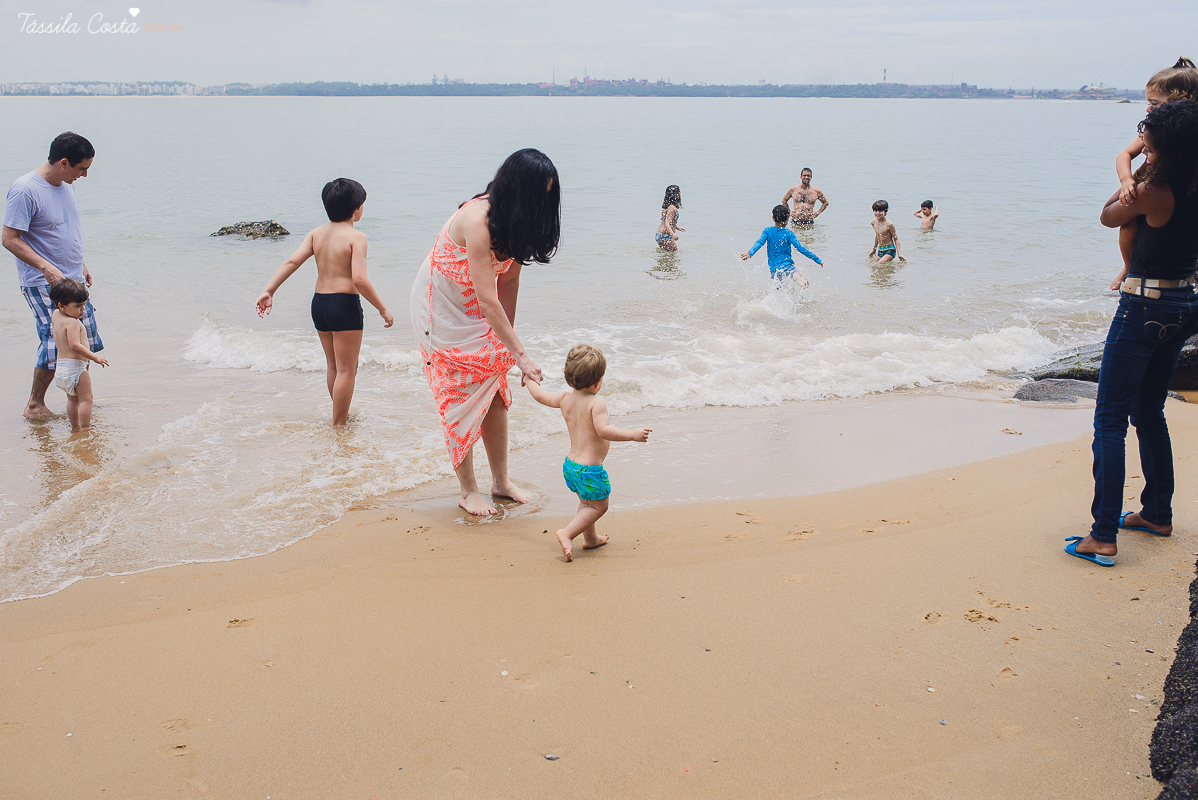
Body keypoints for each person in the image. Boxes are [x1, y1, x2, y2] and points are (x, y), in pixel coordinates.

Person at [1065, 100, 1198, 567]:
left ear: (1161, 145)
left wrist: (1137, 172)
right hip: (1185, 302)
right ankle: (1157, 512)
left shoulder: (1154, 190)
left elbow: (1107, 214)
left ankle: (1101, 536)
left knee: (1110, 420)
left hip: (1144, 306)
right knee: (1150, 411)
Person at [410, 148, 560, 516]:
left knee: (494, 387)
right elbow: (488, 297)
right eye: (539, 193)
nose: (543, 202)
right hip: (440, 308)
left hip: (477, 307)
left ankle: (501, 482)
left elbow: (508, 282)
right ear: (516, 188)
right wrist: (521, 356)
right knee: (457, 396)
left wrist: (506, 347)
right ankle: (467, 490)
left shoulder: (518, 221)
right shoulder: (477, 218)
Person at [255, 178, 393, 427]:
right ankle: (339, 424)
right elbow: (359, 279)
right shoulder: (356, 237)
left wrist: (269, 290)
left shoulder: (315, 233)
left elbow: (291, 262)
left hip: (319, 304)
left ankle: (339, 415)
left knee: (334, 366)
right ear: (355, 208)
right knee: (347, 369)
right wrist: (382, 308)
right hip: (344, 305)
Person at [2, 131, 102, 420]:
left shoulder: (65, 184)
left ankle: (80, 399)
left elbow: (63, 229)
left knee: (85, 340)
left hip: (73, 277)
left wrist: (80, 263)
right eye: (82, 168)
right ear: (63, 162)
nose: (84, 175)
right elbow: (9, 238)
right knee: (54, 343)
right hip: (43, 283)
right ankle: (36, 404)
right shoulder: (25, 190)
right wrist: (46, 267)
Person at [524, 344, 651, 561]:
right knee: (599, 506)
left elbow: (540, 396)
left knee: (586, 503)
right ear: (598, 381)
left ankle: (591, 539)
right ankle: (568, 533)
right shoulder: (596, 402)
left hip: (571, 467)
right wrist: (632, 434)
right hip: (589, 470)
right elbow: (603, 430)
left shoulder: (564, 399)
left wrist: (528, 379)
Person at [1111, 58, 1198, 291]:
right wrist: (1128, 179)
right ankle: (1129, 267)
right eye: (1148, 102)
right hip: (1153, 189)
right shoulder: (1151, 131)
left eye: (1155, 103)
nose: (1148, 108)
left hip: (1171, 196)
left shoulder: (1185, 132)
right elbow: (1124, 155)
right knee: (1128, 222)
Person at [49, 278, 109, 429]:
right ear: (62, 305)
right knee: (86, 400)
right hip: (76, 368)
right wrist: (95, 357)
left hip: (62, 368)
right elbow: (75, 345)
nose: (82, 309)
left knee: (72, 400)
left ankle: (75, 426)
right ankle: (85, 428)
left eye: (84, 305)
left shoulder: (56, 315)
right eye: (77, 306)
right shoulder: (72, 323)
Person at [740, 204, 823, 287]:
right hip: (788, 266)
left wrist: (750, 253)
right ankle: (796, 277)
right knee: (804, 281)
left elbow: (759, 243)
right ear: (787, 218)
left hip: (774, 270)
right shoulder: (789, 234)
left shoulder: (767, 231)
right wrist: (817, 260)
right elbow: (801, 248)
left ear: (773, 218)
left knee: (778, 291)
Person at [655, 185, 684, 251]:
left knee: (668, 256)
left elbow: (666, 220)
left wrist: (677, 227)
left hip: (660, 235)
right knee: (676, 254)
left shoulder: (666, 207)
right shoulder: (672, 208)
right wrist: (673, 234)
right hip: (665, 236)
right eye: (679, 192)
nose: (680, 194)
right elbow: (667, 222)